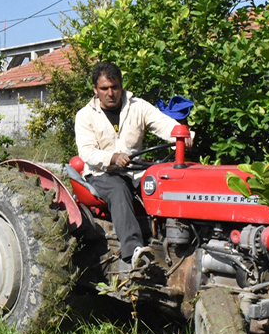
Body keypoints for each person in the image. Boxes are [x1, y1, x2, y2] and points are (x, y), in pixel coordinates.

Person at [75, 61, 192, 264]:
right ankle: (135, 251)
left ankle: (180, 241)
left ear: (121, 86)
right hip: (101, 174)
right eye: (104, 88)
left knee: (167, 182)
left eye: (115, 87)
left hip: (135, 172)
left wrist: (182, 135)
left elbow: (163, 123)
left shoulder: (138, 107)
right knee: (119, 189)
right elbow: (86, 152)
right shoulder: (85, 116)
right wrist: (111, 157)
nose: (110, 93)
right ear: (95, 90)